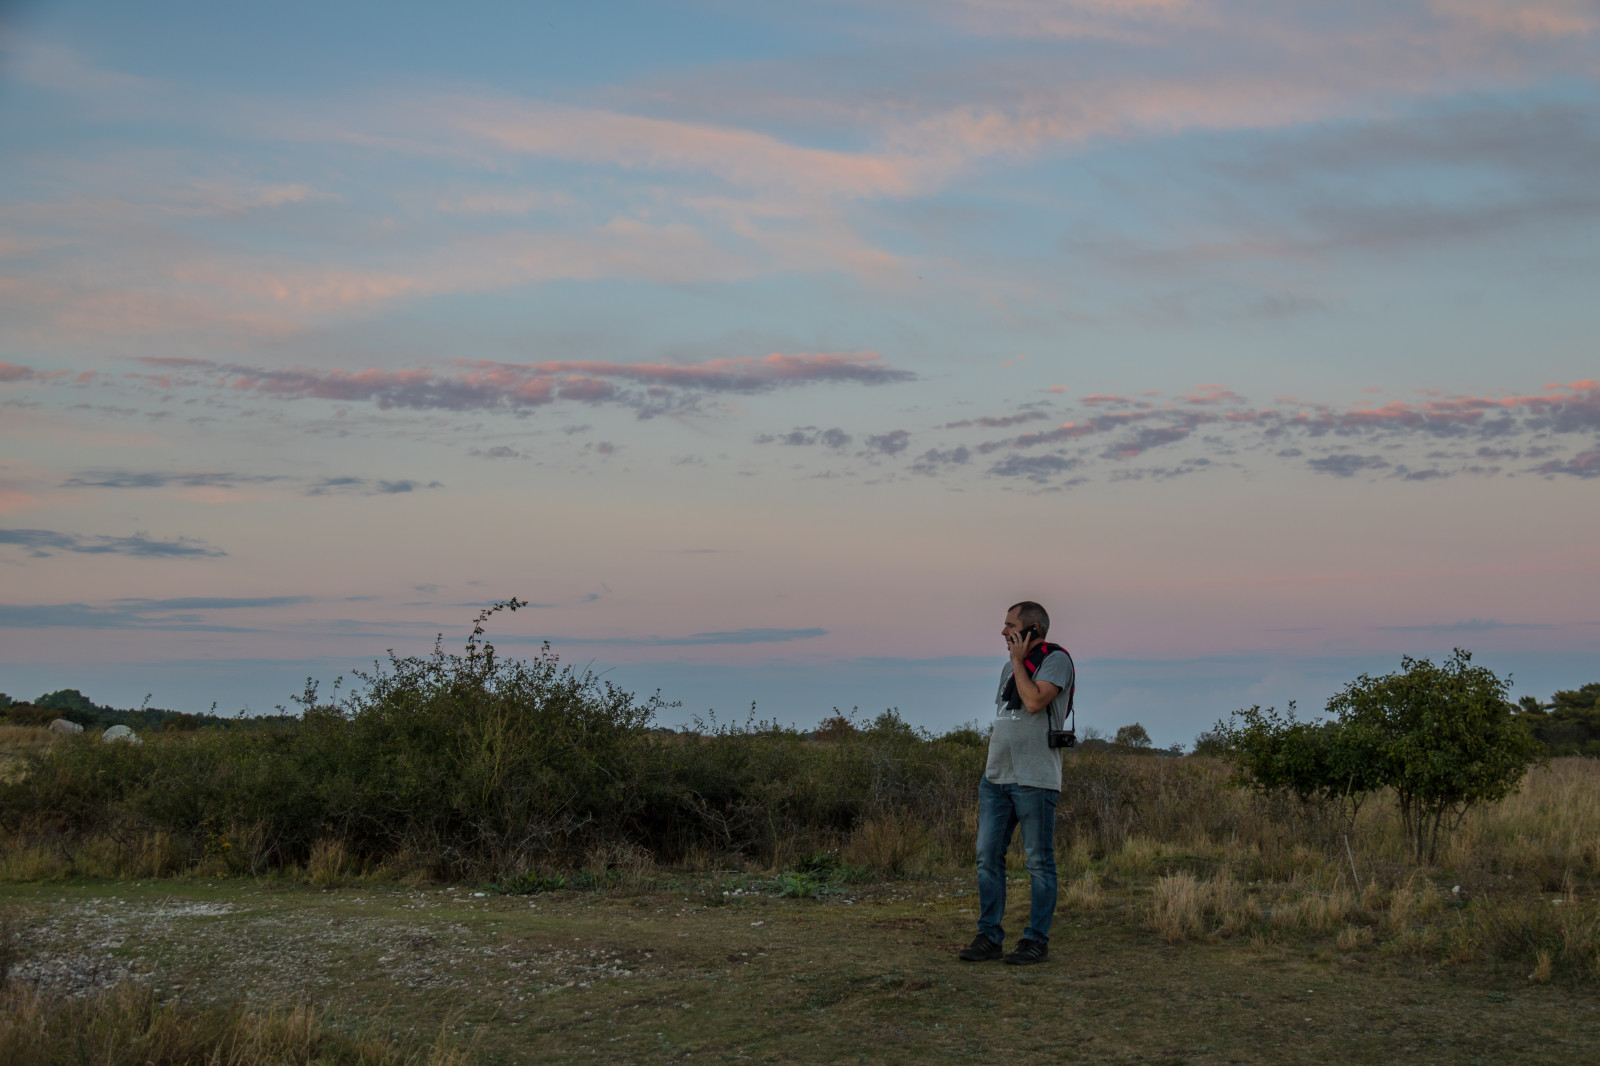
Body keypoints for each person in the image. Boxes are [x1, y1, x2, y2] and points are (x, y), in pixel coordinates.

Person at [958, 600, 1074, 966]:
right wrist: (1015, 665)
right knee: (987, 857)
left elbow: (1035, 700)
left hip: (1035, 778)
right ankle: (989, 937)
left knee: (1039, 862)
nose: (1003, 632)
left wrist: (1017, 663)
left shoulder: (1056, 660)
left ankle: (1035, 940)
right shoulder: (1011, 669)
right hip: (996, 777)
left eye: (1010, 625)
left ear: (1032, 630)